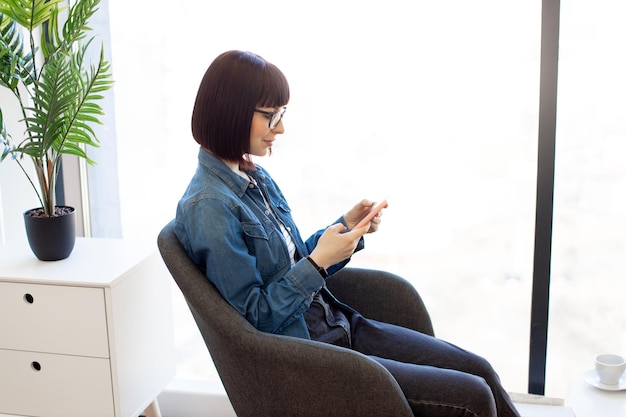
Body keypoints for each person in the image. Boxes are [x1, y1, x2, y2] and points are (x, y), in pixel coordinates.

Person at [174, 50, 521, 417]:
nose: (281, 127)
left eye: (282, 114)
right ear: (232, 110)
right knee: (472, 398)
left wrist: (343, 228)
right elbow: (255, 321)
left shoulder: (251, 174)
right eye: (271, 115)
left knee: (479, 370)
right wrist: (320, 262)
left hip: (339, 325)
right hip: (314, 359)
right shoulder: (208, 206)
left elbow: (289, 263)